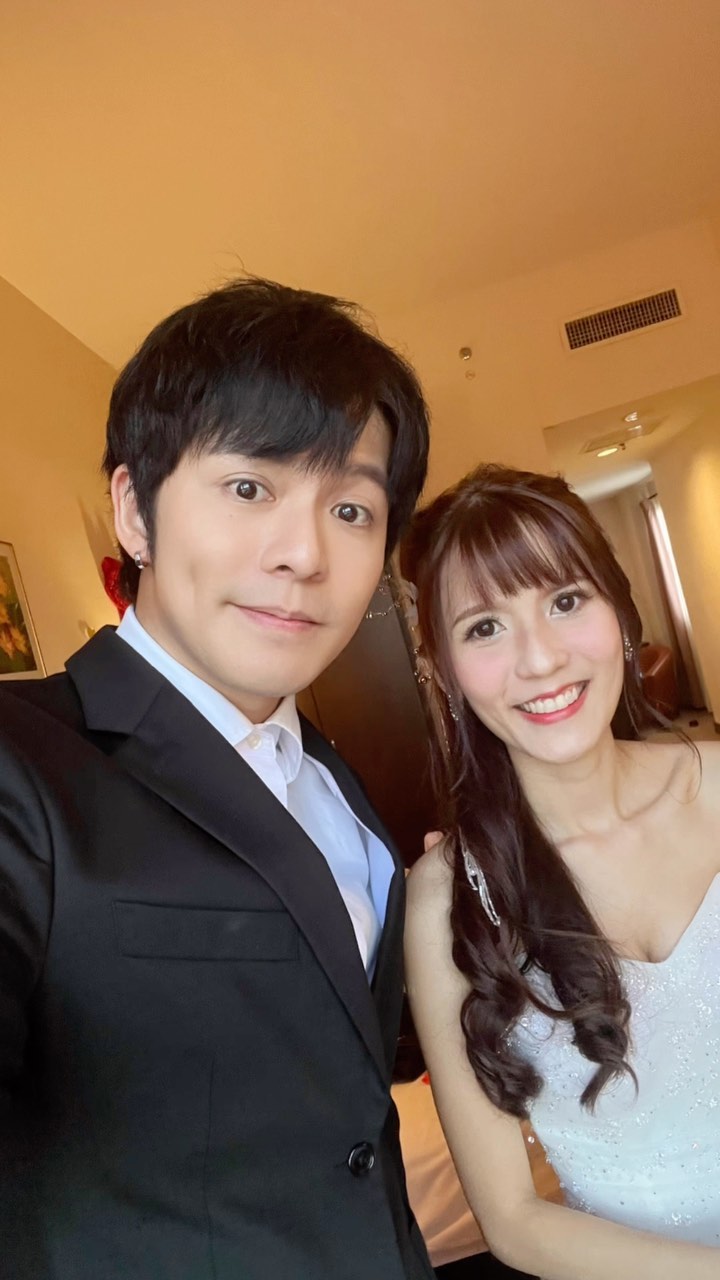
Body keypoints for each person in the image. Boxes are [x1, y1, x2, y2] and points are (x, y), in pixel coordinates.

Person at [0, 277, 435, 1280]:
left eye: (352, 508)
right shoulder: (24, 762)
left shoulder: (330, 777)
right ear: (134, 512)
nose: (304, 554)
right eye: (249, 488)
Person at [401, 464, 720, 1280]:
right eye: (485, 627)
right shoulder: (448, 898)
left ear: (619, 612)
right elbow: (512, 1219)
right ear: (443, 669)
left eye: (566, 600)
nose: (540, 659)